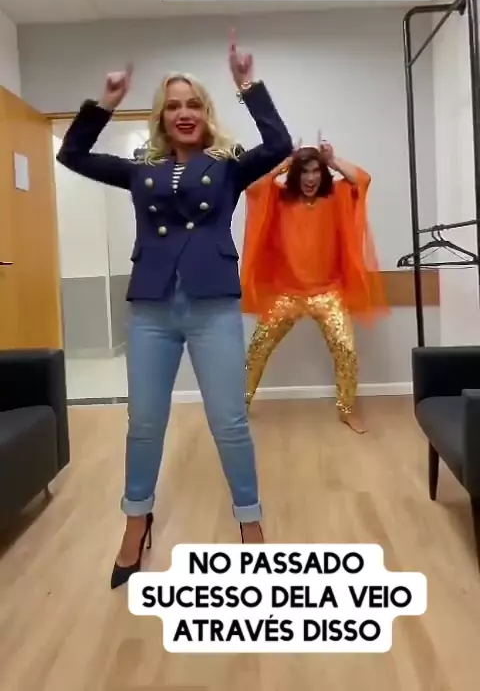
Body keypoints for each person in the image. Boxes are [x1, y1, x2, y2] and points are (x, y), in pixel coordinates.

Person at [56, 31, 293, 588]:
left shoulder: (229, 166)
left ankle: (250, 522)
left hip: (212, 306)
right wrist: (106, 102)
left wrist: (247, 85)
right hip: (152, 309)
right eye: (173, 105)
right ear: (161, 117)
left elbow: (279, 143)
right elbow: (72, 155)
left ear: (205, 113)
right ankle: (136, 522)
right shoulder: (141, 170)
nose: (183, 113)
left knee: (229, 422)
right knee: (144, 423)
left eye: (193, 104)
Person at [241, 138, 388, 434]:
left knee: (346, 351)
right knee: (257, 349)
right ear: (296, 174)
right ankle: (238, 407)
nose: (310, 178)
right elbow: (253, 188)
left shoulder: (335, 197)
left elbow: (362, 179)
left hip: (327, 293)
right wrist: (284, 163)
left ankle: (347, 409)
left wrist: (332, 161)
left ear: (323, 174)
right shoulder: (279, 199)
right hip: (286, 294)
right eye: (304, 171)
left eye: (316, 171)